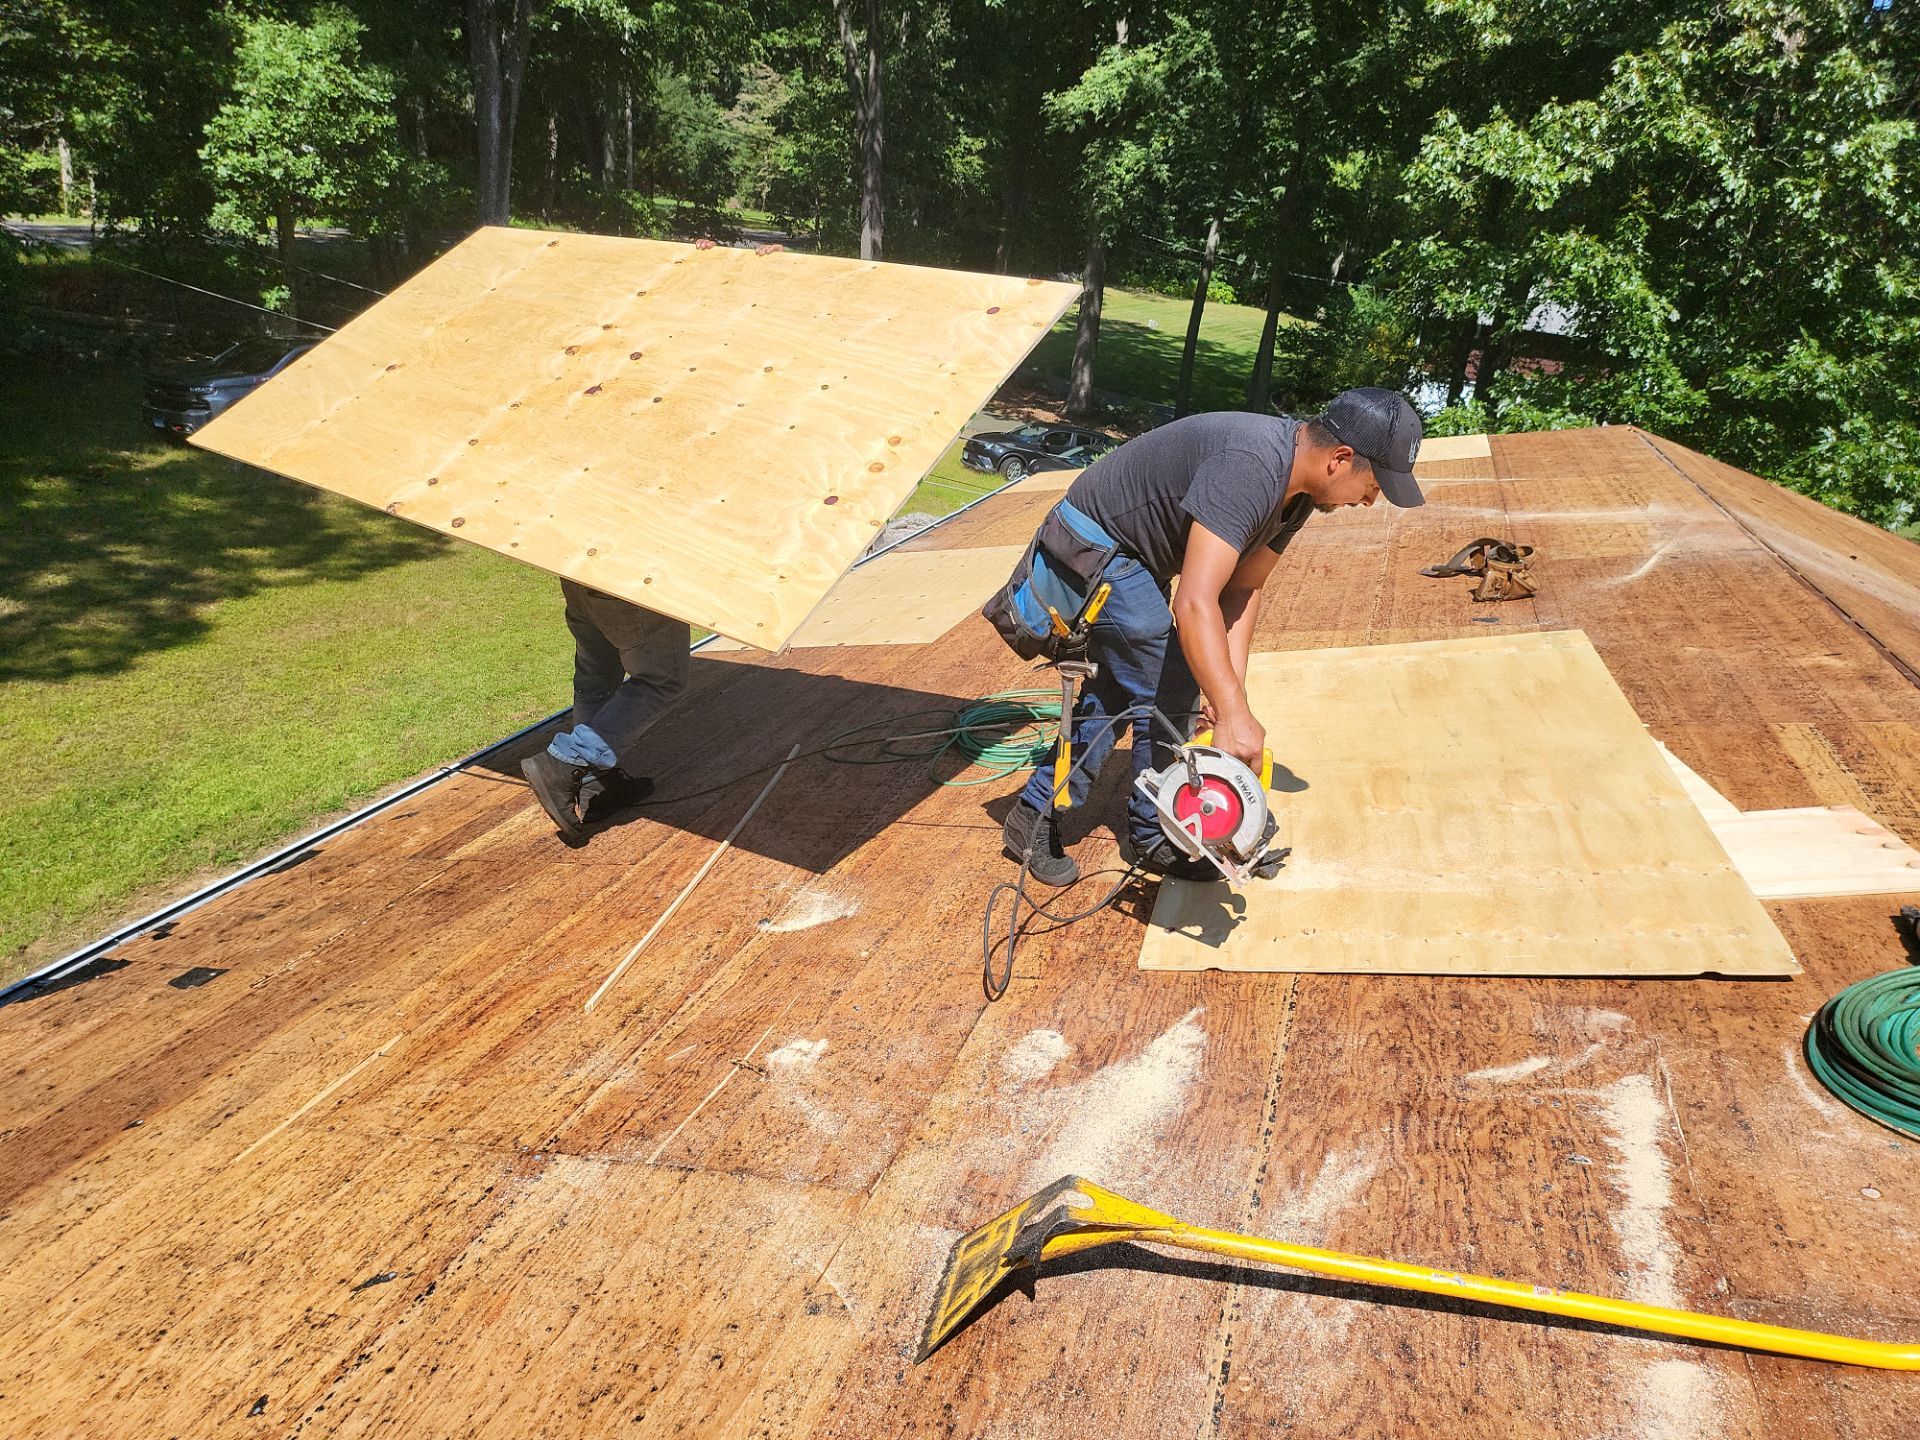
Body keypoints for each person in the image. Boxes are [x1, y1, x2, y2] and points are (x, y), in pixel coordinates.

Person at [1000, 385, 1425, 884]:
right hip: (1096, 546)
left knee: (1124, 688)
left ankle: (1035, 813)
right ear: (1341, 459)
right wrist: (1227, 709)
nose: (1373, 499)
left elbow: (1241, 590)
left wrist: (1230, 697)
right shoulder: (1251, 468)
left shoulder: (1300, 493)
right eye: (1377, 483)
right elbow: (1195, 601)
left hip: (1136, 556)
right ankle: (1156, 832)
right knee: (1167, 681)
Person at [522, 580, 690, 839]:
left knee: (598, 676)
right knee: (663, 680)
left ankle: (594, 782)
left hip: (582, 574)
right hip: (636, 576)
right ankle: (569, 758)